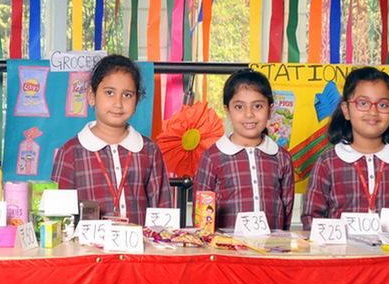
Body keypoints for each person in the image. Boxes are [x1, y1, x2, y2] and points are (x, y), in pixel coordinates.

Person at [301, 66, 389, 228]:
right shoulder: (328, 162)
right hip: (340, 253)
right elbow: (312, 217)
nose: (373, 112)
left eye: (383, 105)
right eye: (363, 103)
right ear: (346, 110)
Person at [52, 54, 171, 223]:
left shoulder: (149, 151)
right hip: (86, 248)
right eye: (109, 92)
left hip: (140, 248)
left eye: (127, 95)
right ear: (92, 96)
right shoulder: (71, 152)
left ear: (137, 100)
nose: (118, 103)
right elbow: (58, 217)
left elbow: (162, 208)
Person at [194, 69, 295, 230]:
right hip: (226, 251)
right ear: (227, 111)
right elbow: (201, 214)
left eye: (257, 106)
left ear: (270, 110)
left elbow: (287, 209)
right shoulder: (212, 157)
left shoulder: (281, 157)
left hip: (270, 249)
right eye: (239, 106)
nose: (249, 114)